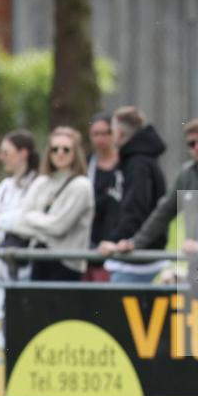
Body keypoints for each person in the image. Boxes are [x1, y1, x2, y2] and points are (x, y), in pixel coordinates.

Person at [115, 117, 198, 258]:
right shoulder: (187, 174)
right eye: (192, 144)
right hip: (195, 256)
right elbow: (163, 212)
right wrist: (135, 242)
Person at [3, 127, 94, 281]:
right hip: (38, 258)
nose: (60, 153)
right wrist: (45, 228)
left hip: (66, 265)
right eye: (55, 149)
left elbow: (59, 227)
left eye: (66, 149)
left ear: (75, 153)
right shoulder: (41, 182)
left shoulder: (81, 186)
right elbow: (19, 222)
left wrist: (32, 218)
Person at [96, 107, 168, 284]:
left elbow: (135, 210)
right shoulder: (136, 160)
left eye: (111, 131)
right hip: (135, 255)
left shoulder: (138, 164)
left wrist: (116, 240)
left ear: (119, 133)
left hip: (137, 260)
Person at [0, 130, 40, 282]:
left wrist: (2, 220)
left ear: (23, 153)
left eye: (6, 153)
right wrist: (8, 227)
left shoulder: (39, 184)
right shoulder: (6, 186)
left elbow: (28, 220)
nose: (1, 157)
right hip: (2, 263)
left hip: (29, 264)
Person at [84, 113, 121, 282]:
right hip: (89, 236)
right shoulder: (87, 164)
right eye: (95, 134)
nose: (100, 139)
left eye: (104, 133)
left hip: (115, 236)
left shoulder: (124, 164)